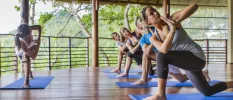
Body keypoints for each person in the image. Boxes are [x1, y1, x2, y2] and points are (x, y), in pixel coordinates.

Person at [141, 5, 233, 100]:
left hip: (196, 57)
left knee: (161, 56)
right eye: (151, 13)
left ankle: (160, 95)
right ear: (148, 22)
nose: (156, 13)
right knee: (207, 91)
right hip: (188, 65)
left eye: (155, 10)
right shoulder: (153, 37)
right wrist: (172, 30)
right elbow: (164, 49)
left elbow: (194, 6)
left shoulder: (172, 19)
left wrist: (176, 22)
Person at [15, 24, 41, 88]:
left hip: (26, 47)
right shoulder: (22, 44)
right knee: (25, 59)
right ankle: (27, 81)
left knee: (26, 59)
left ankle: (28, 77)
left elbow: (39, 27)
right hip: (20, 52)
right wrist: (38, 44)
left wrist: (39, 37)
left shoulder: (27, 28)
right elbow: (34, 56)